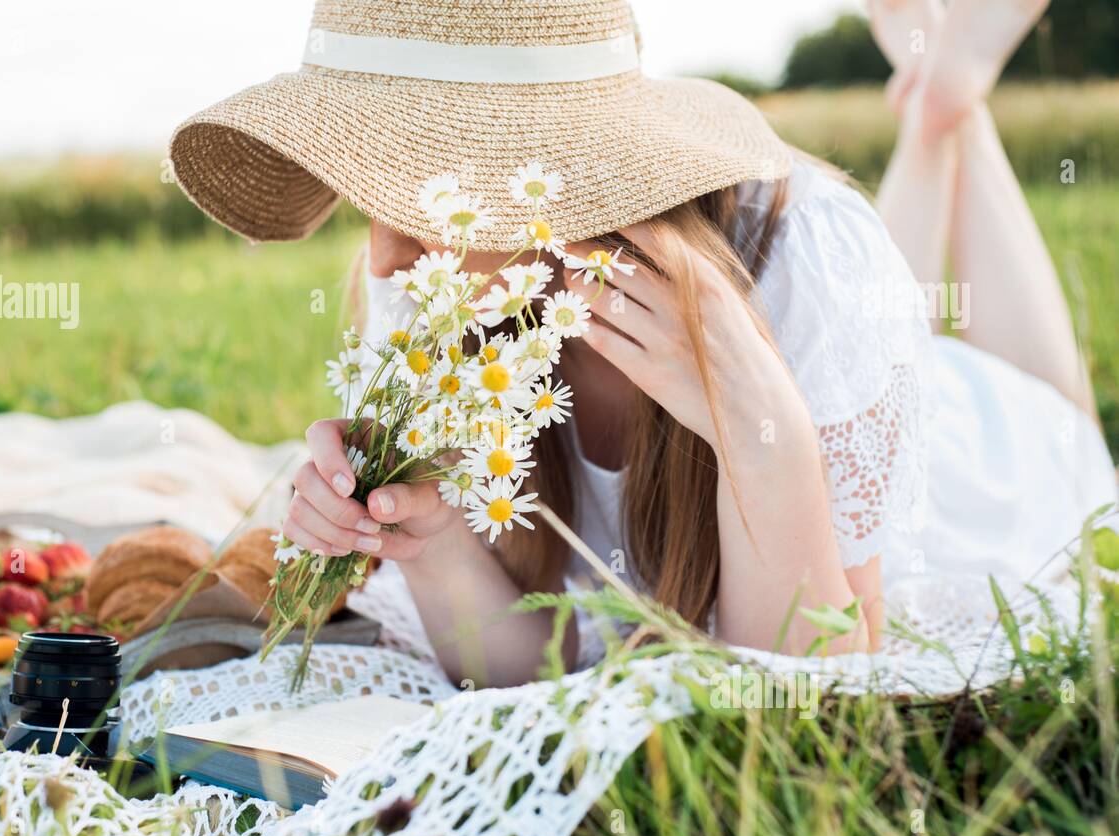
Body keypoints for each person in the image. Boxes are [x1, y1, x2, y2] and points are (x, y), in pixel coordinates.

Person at [169, 0, 1115, 686]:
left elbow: (820, 677)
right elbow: (530, 664)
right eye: (366, 195)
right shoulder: (439, 294)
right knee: (896, 310)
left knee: (1059, 419)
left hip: (979, 467)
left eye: (416, 201)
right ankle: (938, 103)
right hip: (862, 360)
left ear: (554, 180)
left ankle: (952, 105)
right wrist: (429, 543)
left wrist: (760, 425)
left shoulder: (808, 257)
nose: (383, 260)